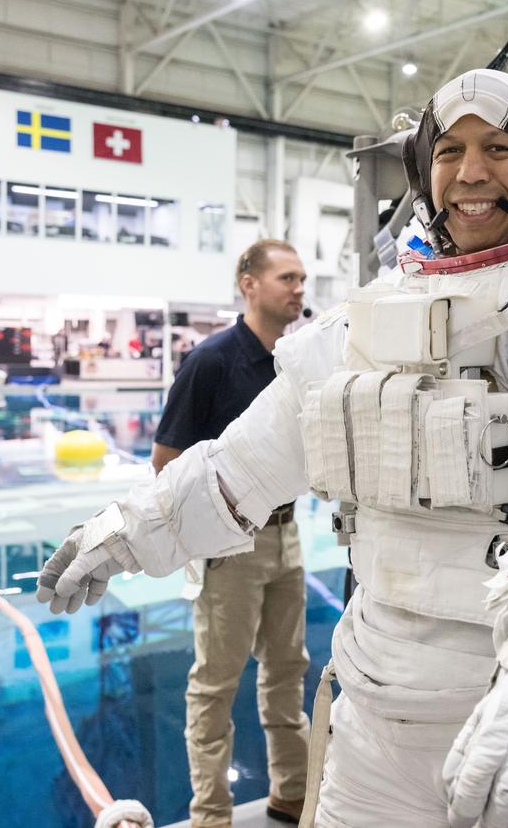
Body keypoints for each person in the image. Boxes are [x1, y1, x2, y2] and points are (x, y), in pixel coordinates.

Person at [38, 68, 508, 827]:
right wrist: (127, 531)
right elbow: (241, 463)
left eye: (499, 147)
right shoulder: (383, 313)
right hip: (375, 737)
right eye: (449, 151)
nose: (471, 172)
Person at [150, 238, 311, 828]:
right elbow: (166, 462)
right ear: (249, 283)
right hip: (230, 547)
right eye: (287, 278)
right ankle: (211, 815)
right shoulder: (211, 361)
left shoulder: (296, 357)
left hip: (288, 536)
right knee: (216, 684)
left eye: (301, 279)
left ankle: (292, 793)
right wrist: (211, 526)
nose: (299, 289)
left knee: (288, 670)